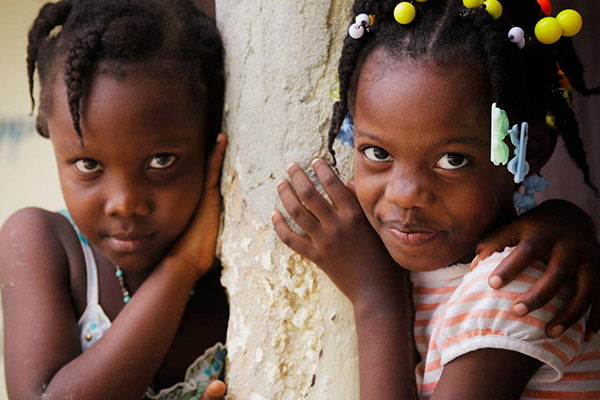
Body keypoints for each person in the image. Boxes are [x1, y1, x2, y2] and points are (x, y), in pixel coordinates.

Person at [273, 0, 600, 398]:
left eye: (452, 160)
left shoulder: (514, 287)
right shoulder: (438, 260)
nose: (405, 195)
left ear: (526, 153)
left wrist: (374, 296)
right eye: (378, 154)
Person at [0, 0, 229, 399]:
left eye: (162, 161)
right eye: (88, 164)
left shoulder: (237, 264)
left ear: (211, 140)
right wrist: (182, 266)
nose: (124, 203)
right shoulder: (42, 244)